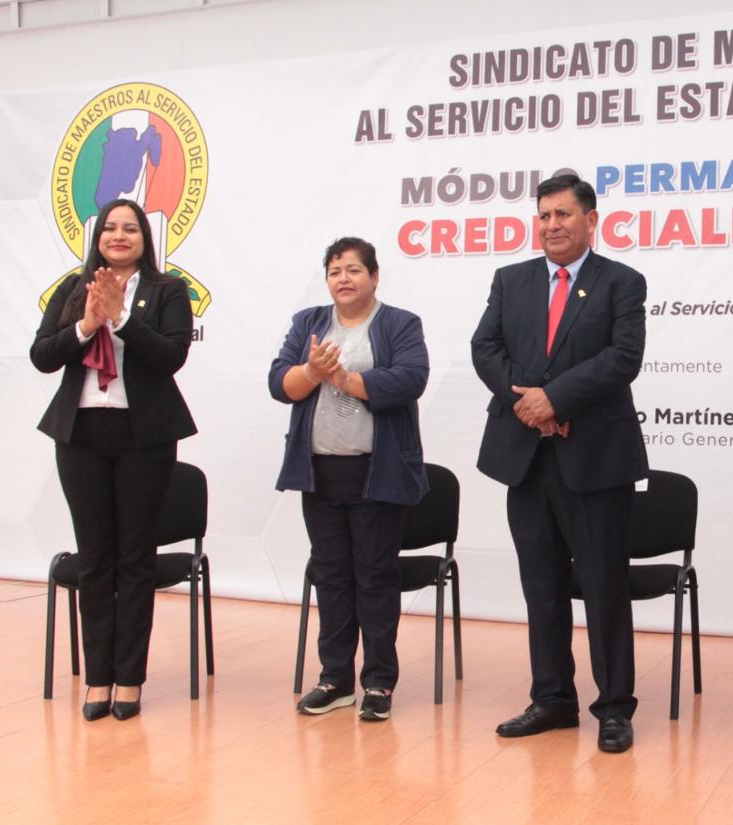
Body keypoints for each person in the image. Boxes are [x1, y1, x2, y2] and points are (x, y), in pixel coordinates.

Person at [470, 172, 648, 753]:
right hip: (526, 458)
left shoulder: (622, 282)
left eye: (563, 214)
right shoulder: (511, 280)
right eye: (544, 215)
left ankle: (614, 708)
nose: (552, 225)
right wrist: (529, 405)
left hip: (595, 460)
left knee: (603, 587)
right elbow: (485, 348)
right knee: (541, 586)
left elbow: (623, 358)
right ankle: (551, 700)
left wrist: (556, 399)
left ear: (591, 220)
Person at [30, 198, 197, 722]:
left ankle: (129, 679)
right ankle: (97, 677)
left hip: (144, 437)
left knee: (135, 558)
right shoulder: (73, 288)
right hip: (80, 435)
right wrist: (85, 324)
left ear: (145, 239)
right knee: (95, 558)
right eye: (110, 228)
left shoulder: (168, 290)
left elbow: (171, 357)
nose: (119, 236)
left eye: (130, 228)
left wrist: (120, 318)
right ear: (97, 237)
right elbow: (42, 356)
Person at [270, 236, 429, 722]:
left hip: (377, 473)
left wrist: (346, 380)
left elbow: (411, 378)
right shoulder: (309, 323)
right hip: (320, 472)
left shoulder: (400, 323)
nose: (344, 278)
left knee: (375, 577)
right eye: (335, 270)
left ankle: (378, 682)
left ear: (374, 277)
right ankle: (335, 679)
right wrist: (312, 371)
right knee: (332, 577)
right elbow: (280, 383)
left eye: (354, 269)